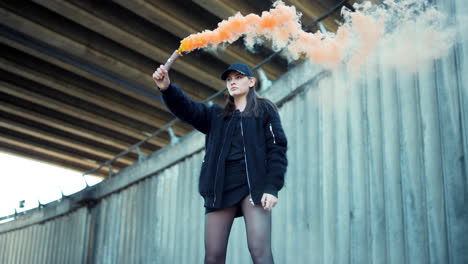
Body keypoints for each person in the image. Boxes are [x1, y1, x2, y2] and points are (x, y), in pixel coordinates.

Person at [152, 62, 288, 264]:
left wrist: (271, 186)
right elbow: (188, 109)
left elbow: (277, 148)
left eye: (238, 77)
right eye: (229, 79)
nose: (232, 82)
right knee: (213, 256)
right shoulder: (216, 116)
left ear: (251, 82)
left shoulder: (264, 109)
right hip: (220, 188)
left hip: (254, 187)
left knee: (259, 250)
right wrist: (166, 88)